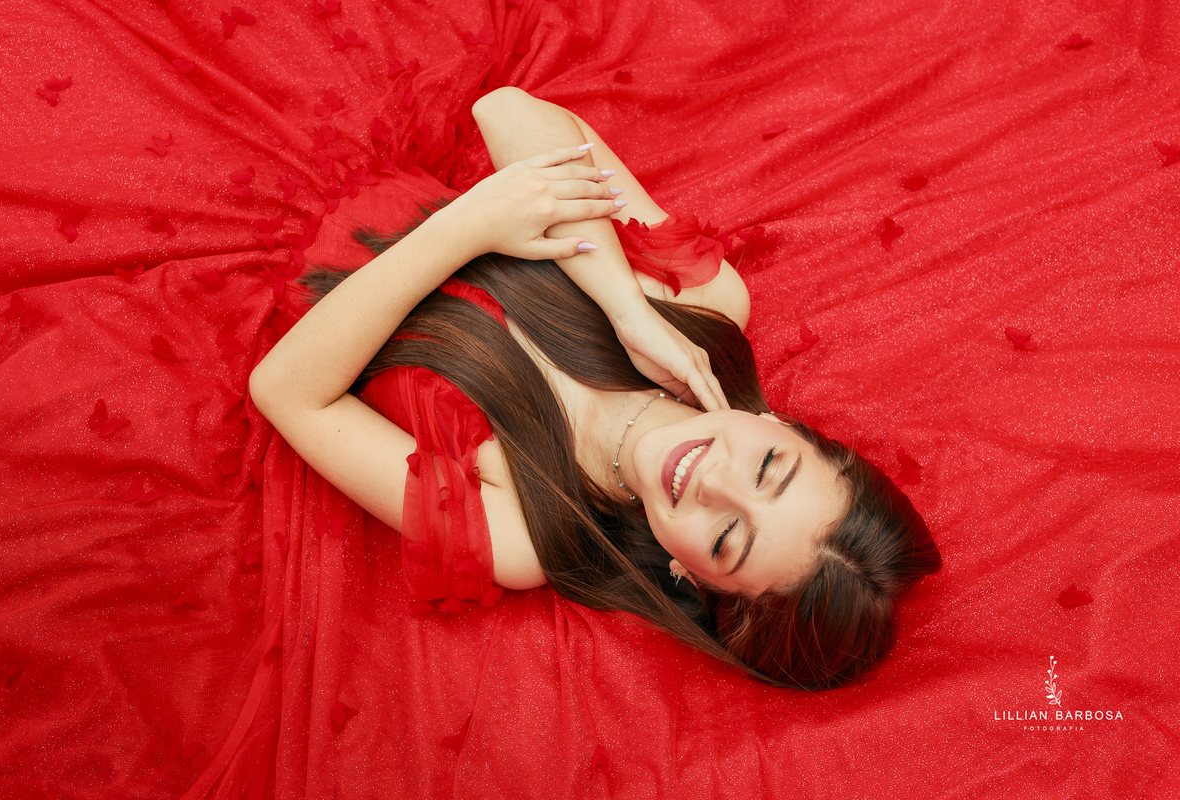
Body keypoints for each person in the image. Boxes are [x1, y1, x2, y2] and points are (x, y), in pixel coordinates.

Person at [250, 88, 942, 689]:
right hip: (341, 137)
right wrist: (626, 307)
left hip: (255, 281)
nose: (714, 482)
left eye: (728, 539)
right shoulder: (705, 309)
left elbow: (286, 390)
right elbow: (507, 113)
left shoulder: (527, 531)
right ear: (783, 425)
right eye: (768, 467)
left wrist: (470, 227)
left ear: (692, 579)